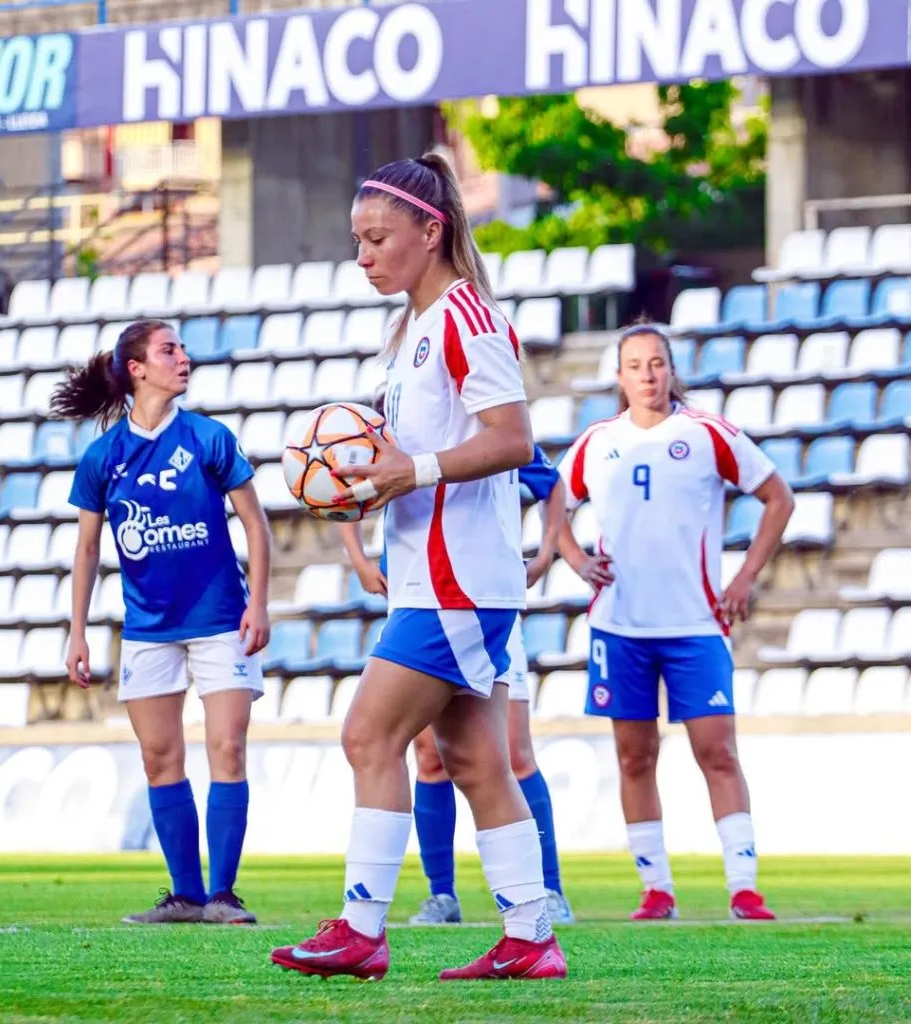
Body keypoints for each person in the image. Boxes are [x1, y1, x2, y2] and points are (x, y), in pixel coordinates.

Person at [270, 154, 567, 982]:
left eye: (377, 238)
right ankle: (532, 938)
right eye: (357, 241)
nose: (362, 255)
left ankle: (362, 929)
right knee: (478, 763)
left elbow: (513, 440)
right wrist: (370, 487)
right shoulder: (412, 328)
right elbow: (415, 456)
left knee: (368, 733)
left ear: (430, 231)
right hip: (441, 576)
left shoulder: (468, 317)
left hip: (457, 581)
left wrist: (415, 470)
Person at [556, 322, 795, 921]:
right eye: (635, 365)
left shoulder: (707, 433)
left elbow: (779, 498)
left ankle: (744, 886)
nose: (647, 374)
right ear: (619, 376)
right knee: (635, 758)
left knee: (717, 753)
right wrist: (577, 559)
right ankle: (655, 889)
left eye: (657, 362)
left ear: (671, 369)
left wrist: (743, 578)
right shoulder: (597, 441)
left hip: (695, 623)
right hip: (619, 625)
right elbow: (552, 503)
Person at [51, 319, 272, 926]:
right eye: (169, 349)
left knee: (227, 746)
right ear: (138, 369)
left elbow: (256, 523)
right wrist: (77, 630)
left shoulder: (209, 438)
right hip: (147, 628)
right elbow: (89, 551)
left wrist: (260, 602)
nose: (184, 357)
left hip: (222, 618)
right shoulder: (101, 458)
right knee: (158, 758)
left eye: (182, 348)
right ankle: (185, 895)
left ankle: (224, 896)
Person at [338, 442, 574, 926]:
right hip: (419, 596)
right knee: (446, 758)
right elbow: (346, 492)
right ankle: (458, 900)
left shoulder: (463, 426)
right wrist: (360, 559)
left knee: (506, 752)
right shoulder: (392, 430)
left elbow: (547, 479)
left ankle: (547, 893)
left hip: (463, 595)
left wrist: (547, 553)